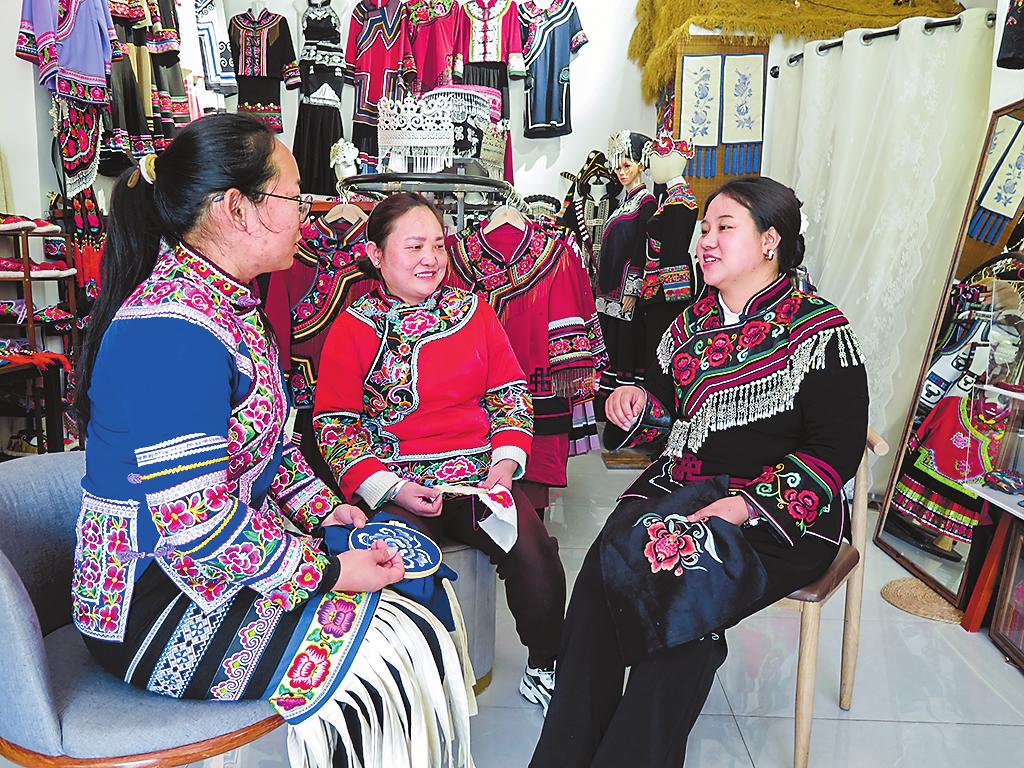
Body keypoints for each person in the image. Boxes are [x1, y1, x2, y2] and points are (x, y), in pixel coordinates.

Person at [71, 114, 471, 768]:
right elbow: (195, 522)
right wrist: (328, 570)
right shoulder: (171, 330)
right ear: (237, 209)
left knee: (409, 601)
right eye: (293, 196)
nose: (307, 214)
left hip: (208, 566)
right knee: (385, 652)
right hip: (148, 600)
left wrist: (326, 512)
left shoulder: (229, 306)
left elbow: (272, 451)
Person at [530, 176, 869, 767]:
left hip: (781, 512)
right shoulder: (689, 323)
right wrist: (635, 403)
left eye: (724, 228)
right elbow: (667, 416)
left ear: (770, 241)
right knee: (601, 576)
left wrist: (744, 505)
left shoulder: (820, 330)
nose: (704, 240)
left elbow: (835, 451)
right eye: (704, 228)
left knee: (682, 594)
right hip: (682, 486)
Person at [313, 192, 567, 713]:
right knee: (404, 569)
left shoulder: (474, 312)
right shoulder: (353, 325)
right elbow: (335, 426)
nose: (430, 258)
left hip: (478, 478)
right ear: (376, 255)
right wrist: (394, 488)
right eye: (414, 247)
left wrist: (504, 466)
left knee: (535, 551)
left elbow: (510, 393)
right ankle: (418, 688)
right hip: (398, 484)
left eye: (437, 245)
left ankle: (545, 663)